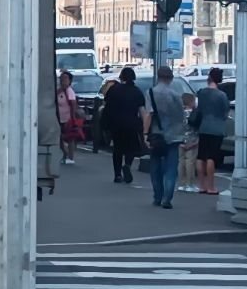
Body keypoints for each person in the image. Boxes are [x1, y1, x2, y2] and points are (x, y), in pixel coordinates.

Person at [146, 62, 197, 210]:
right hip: (174, 135)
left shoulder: (150, 93)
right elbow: (181, 117)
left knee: (155, 166)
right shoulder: (175, 95)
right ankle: (167, 198)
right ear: (171, 78)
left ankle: (157, 196)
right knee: (171, 168)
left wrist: (145, 133)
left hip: (156, 135)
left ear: (158, 77)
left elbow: (148, 115)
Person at [97, 66, 146, 185]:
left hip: (116, 124)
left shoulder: (114, 90)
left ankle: (117, 175)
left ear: (121, 77)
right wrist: (145, 127)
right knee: (132, 148)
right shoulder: (137, 92)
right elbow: (142, 111)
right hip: (131, 124)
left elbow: (106, 106)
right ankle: (127, 165)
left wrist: (105, 124)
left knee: (117, 149)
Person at [192, 66, 232, 196]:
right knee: (211, 157)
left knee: (201, 156)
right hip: (217, 128)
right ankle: (211, 187)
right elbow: (225, 112)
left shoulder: (202, 93)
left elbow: (199, 109)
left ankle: (201, 186)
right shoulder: (222, 95)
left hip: (203, 126)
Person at [53, 66, 84, 165]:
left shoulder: (69, 91)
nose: (63, 80)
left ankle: (70, 157)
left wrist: (72, 117)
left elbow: (73, 104)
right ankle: (65, 154)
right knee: (58, 137)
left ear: (70, 81)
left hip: (68, 118)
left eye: (65, 79)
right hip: (59, 118)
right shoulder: (59, 90)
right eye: (61, 78)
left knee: (70, 138)